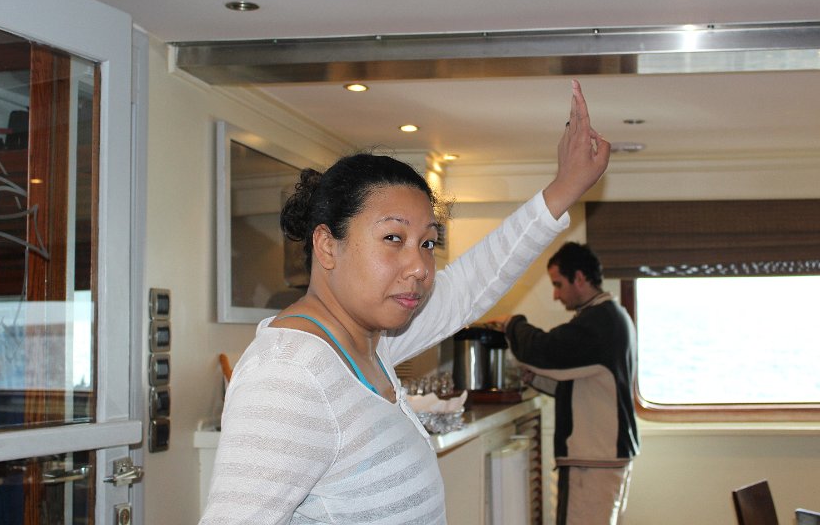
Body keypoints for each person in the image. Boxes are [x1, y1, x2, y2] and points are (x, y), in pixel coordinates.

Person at [199, 80, 611, 525]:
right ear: (327, 245)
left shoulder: (368, 345)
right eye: (393, 238)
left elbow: (469, 285)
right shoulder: (290, 376)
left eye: (427, 243)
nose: (419, 267)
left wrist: (564, 188)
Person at [501, 241, 639, 525]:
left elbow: (544, 349)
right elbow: (581, 383)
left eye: (558, 284)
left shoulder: (599, 321)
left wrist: (512, 324)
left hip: (594, 460)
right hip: (604, 455)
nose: (555, 295)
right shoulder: (613, 316)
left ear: (579, 277)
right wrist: (534, 377)